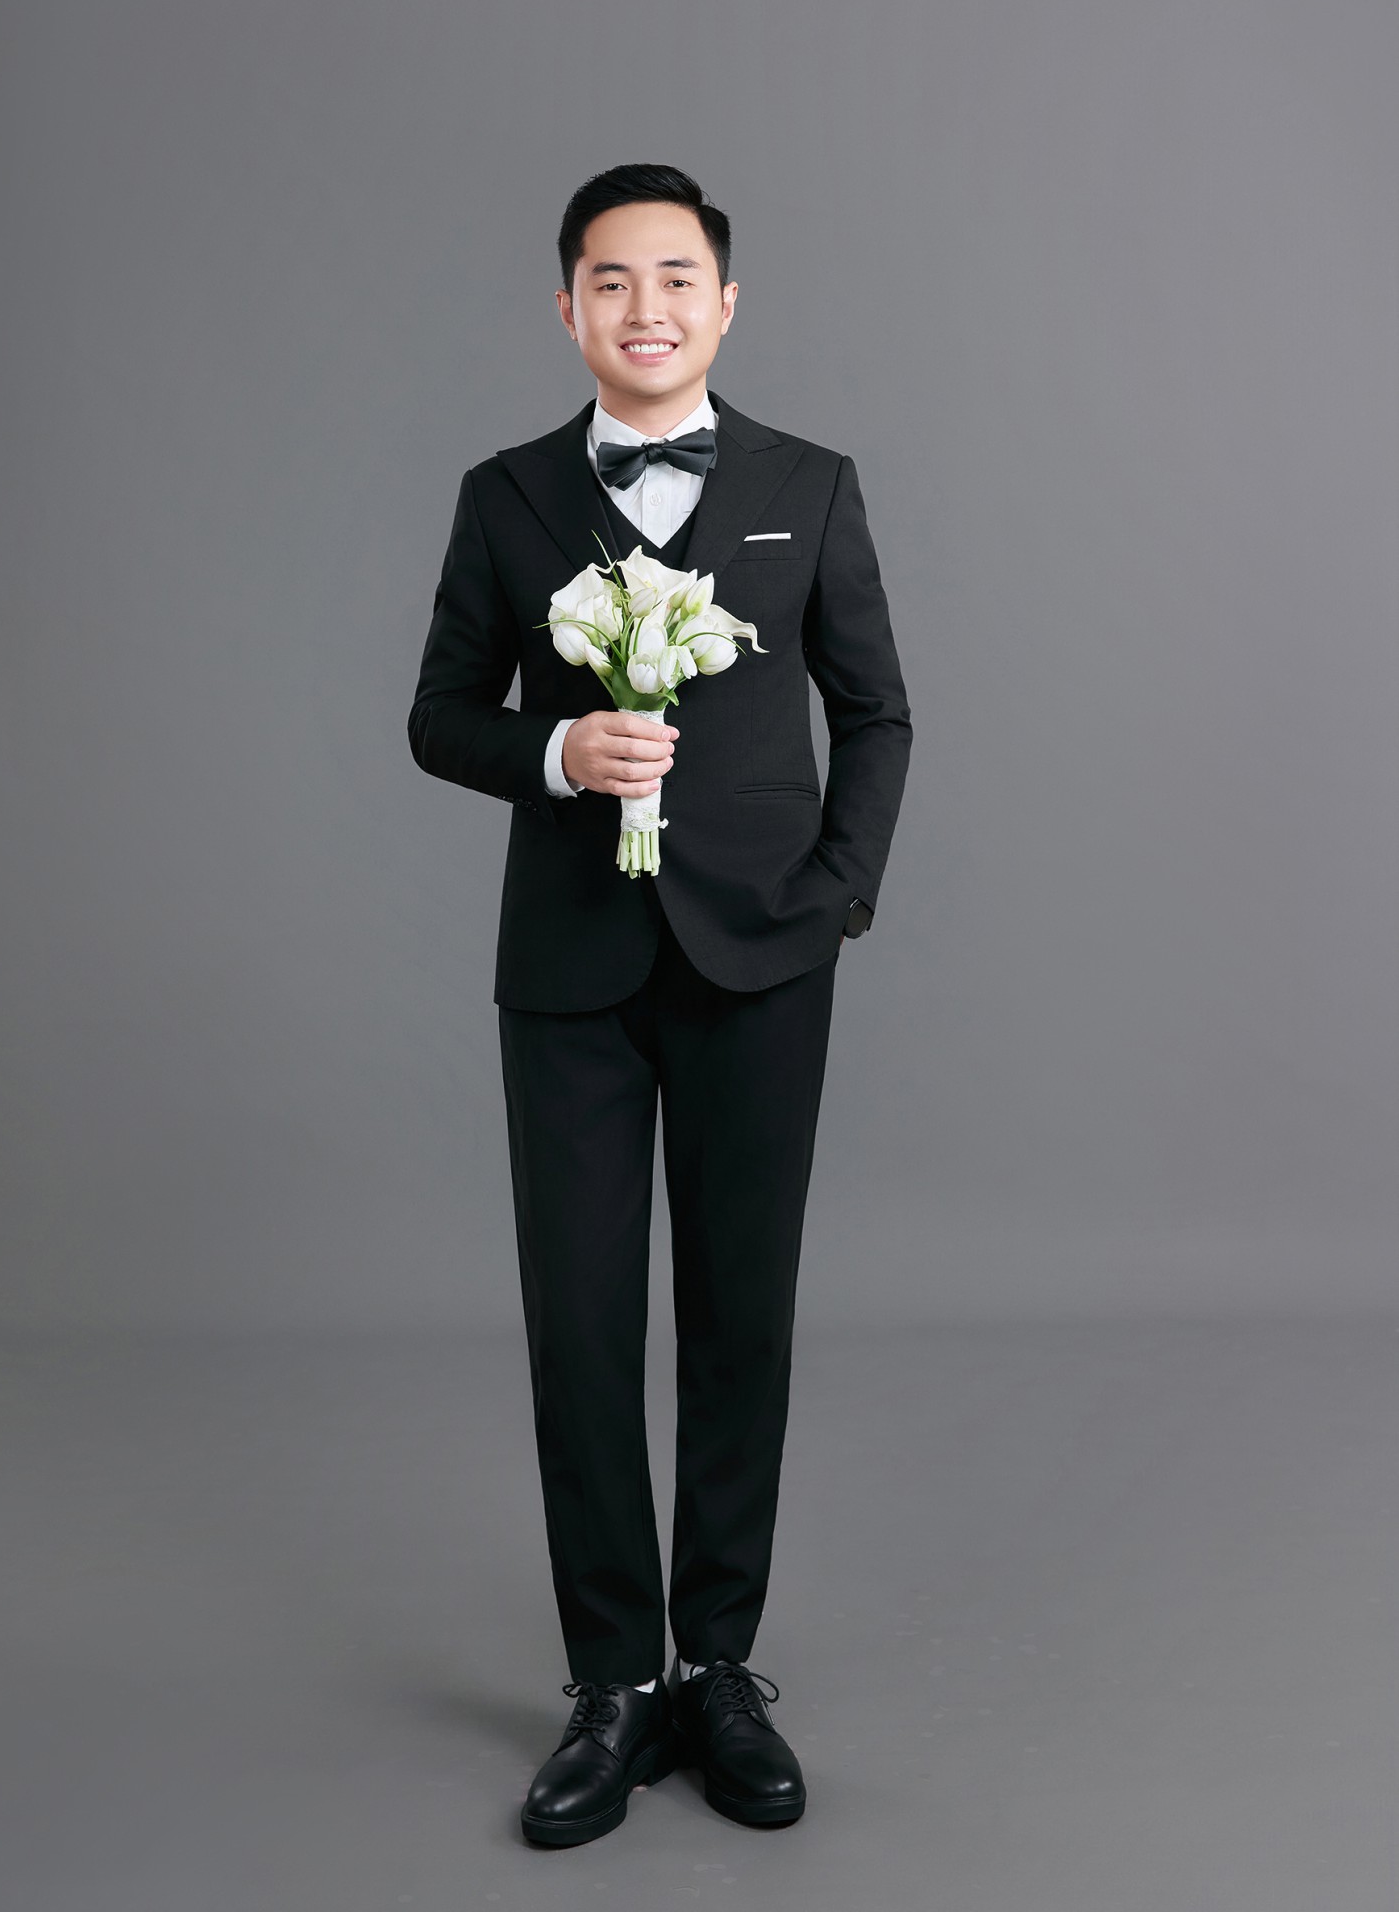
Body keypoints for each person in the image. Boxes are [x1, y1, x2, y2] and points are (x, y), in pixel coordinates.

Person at [407, 162, 911, 1846]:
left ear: (724, 303)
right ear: (568, 308)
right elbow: (438, 714)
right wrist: (556, 750)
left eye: (675, 277)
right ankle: (612, 1682)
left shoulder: (809, 486)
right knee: (578, 1325)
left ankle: (720, 1670)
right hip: (567, 974)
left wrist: (836, 895)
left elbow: (877, 713)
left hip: (765, 961)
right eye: (610, 281)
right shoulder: (505, 496)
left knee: (740, 1316)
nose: (645, 307)